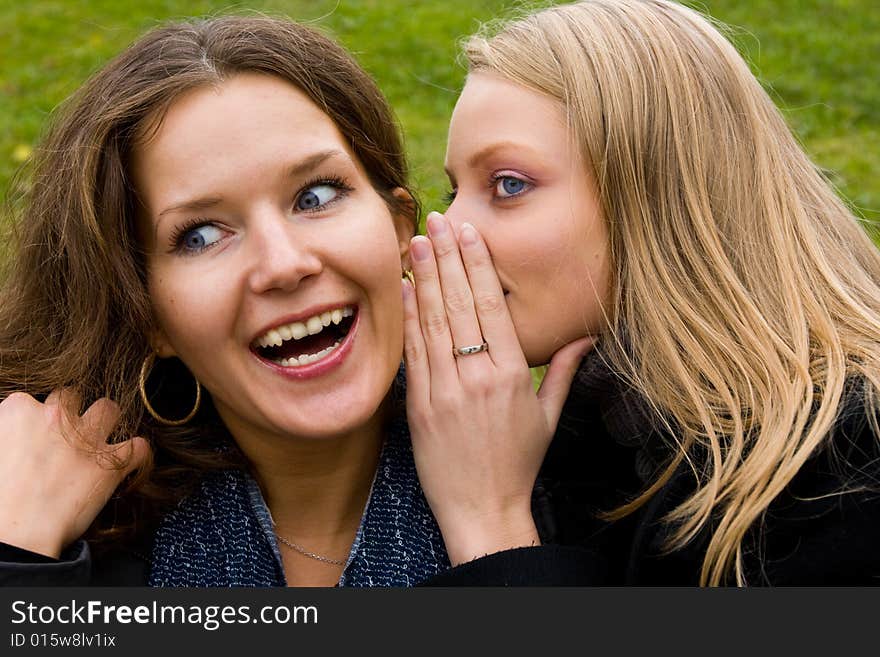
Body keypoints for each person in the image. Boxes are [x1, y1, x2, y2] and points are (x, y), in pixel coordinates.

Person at [406, 0, 880, 585]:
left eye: (508, 185)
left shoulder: (851, 467)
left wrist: (492, 523)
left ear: (655, 197)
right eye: (454, 190)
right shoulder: (601, 431)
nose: (447, 229)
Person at [0, 15, 453, 587]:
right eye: (201, 236)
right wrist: (17, 554)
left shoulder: (559, 485)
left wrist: (500, 541)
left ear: (397, 228)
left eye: (315, 196)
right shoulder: (56, 529)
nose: (284, 265)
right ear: (145, 312)